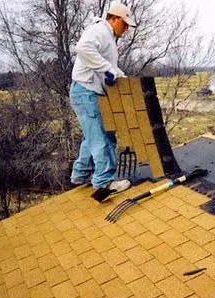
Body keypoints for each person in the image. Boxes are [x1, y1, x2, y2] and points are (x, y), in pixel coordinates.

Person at [70, 2, 136, 194]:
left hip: (87, 92)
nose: (125, 29)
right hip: (86, 92)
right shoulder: (100, 30)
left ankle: (81, 174)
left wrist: (119, 76)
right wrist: (107, 70)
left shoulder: (108, 35)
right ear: (114, 19)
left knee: (92, 136)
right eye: (124, 24)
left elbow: (108, 66)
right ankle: (103, 182)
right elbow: (83, 48)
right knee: (102, 138)